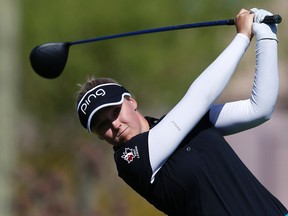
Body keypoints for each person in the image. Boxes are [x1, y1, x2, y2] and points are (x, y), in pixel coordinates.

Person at [75, 8, 288, 216]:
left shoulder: (183, 122)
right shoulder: (131, 161)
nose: (114, 124)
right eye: (102, 125)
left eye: (115, 112)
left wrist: (266, 36)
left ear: (131, 102)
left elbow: (259, 109)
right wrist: (242, 38)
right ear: (99, 136)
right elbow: (199, 97)